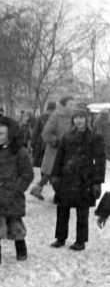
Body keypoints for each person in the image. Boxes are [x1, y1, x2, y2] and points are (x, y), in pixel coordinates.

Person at [0, 117, 35, 265]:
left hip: (11, 195)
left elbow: (28, 174)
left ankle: (21, 250)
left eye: (1, 134)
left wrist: (18, 189)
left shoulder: (20, 152)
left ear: (10, 135)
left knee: (15, 223)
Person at [50, 107, 106, 251]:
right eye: (76, 117)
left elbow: (100, 161)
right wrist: (55, 176)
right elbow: (59, 157)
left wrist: (97, 182)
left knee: (82, 212)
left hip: (84, 180)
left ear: (87, 119)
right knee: (62, 210)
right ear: (73, 120)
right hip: (66, 178)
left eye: (81, 117)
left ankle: (80, 241)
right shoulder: (67, 136)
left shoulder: (94, 137)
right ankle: (60, 238)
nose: (79, 120)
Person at [31, 96, 76, 200]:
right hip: (55, 150)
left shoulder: (73, 117)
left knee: (58, 172)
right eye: (70, 104)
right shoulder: (56, 115)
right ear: (64, 105)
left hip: (68, 150)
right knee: (51, 172)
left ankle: (42, 189)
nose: (73, 107)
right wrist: (56, 142)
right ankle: (41, 189)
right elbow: (46, 132)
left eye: (74, 105)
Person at [30, 102, 56, 169]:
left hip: (41, 143)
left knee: (42, 165)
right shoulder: (56, 118)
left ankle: (43, 177)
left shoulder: (41, 117)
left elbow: (35, 132)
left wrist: (32, 144)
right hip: (52, 144)